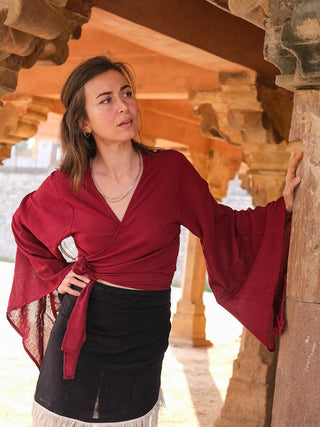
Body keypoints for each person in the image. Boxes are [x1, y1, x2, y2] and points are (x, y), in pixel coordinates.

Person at [6, 55, 302, 427]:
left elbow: (222, 225)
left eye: (126, 93)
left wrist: (283, 208)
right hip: (82, 332)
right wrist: (57, 275)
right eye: (106, 100)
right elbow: (24, 225)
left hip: (143, 333)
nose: (123, 106)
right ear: (83, 122)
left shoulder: (171, 172)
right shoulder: (67, 186)